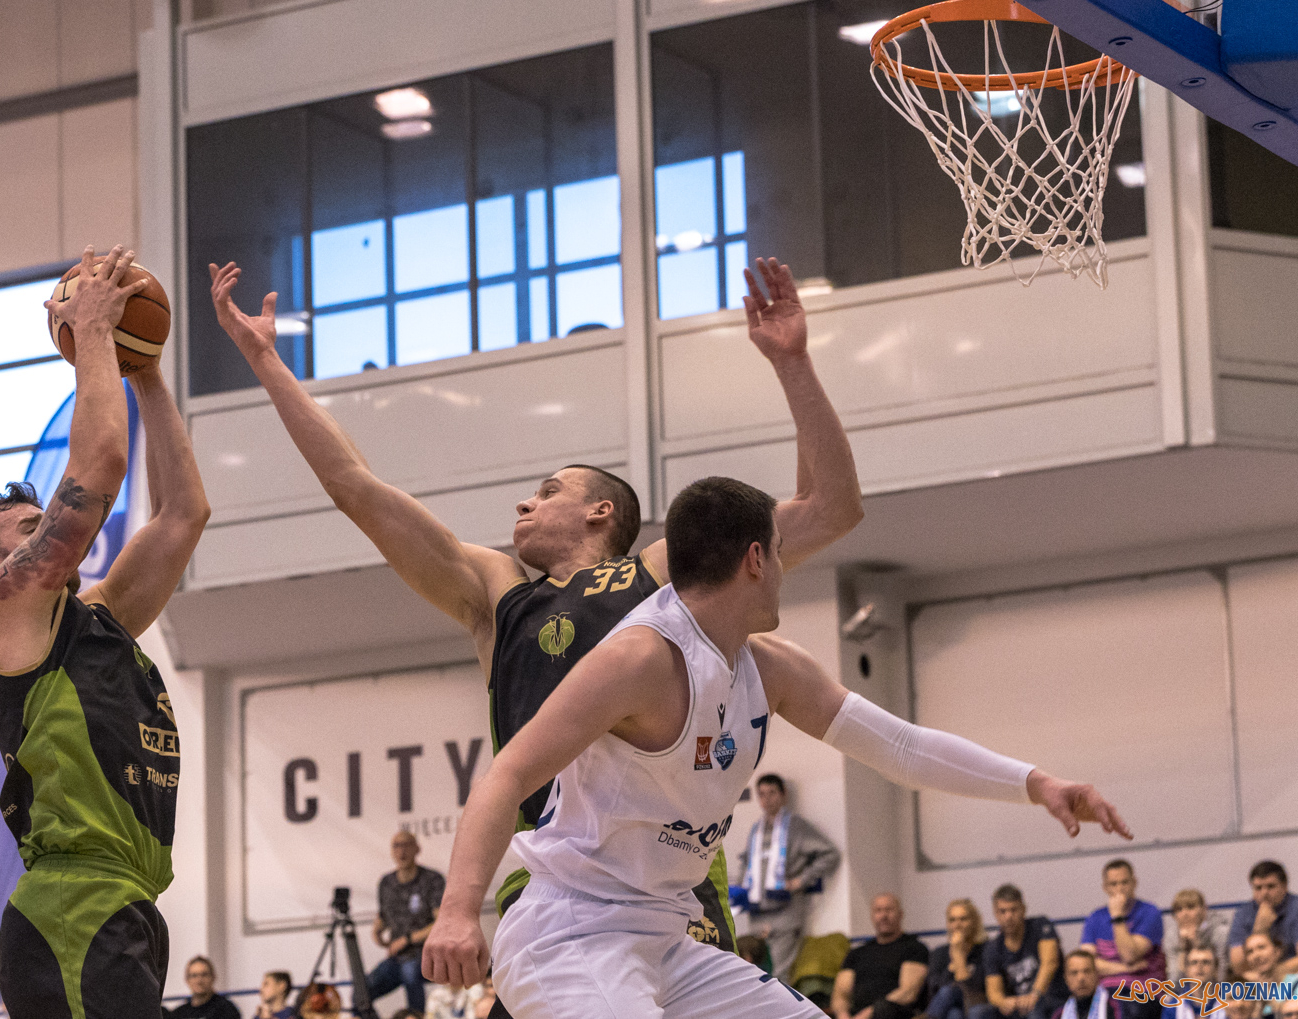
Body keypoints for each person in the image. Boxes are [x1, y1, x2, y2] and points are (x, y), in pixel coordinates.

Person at [210, 255, 866, 959]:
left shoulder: (660, 571)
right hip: (555, 873)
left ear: (600, 512)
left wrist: (793, 361)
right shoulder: (498, 592)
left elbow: (829, 507)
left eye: (548, 491)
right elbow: (354, 487)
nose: (524, 503)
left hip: (670, 869)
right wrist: (265, 360)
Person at [421, 475, 1130, 1018]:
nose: (789, 568)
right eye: (783, 554)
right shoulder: (639, 659)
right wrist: (457, 911)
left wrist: (1035, 783)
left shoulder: (770, 667)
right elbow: (506, 775)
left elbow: (901, 747)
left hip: (665, 937)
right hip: (569, 936)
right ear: (757, 559)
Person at [0, 246, 212, 1018]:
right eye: (32, 528)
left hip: (123, 903)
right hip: (71, 909)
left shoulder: (95, 620)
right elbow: (99, 464)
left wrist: (146, 372)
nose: (55, 530)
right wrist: (93, 332)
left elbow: (183, 514)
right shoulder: (6, 615)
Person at [734, 773, 840, 983]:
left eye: (772, 793)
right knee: (754, 975)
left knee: (779, 977)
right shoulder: (756, 829)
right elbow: (747, 863)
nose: (767, 799)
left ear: (783, 795)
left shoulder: (796, 826)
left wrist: (800, 881)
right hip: (757, 913)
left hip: (785, 913)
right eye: (762, 794)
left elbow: (830, 854)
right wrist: (740, 889)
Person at [369, 830, 447, 1012]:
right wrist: (377, 931)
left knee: (409, 973)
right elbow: (384, 916)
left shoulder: (432, 879)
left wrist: (407, 939)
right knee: (362, 991)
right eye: (396, 846)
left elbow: (441, 921)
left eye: (406, 845)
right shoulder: (386, 883)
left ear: (417, 849)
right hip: (397, 957)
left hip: (426, 954)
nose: (401, 851)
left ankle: (415, 1016)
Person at [1082, 860, 1166, 1019]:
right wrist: (1126, 968)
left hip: (1143, 990)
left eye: (1124, 882)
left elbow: (1129, 955)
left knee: (1126, 1007)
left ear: (1134, 883)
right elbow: (1088, 963)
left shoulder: (1150, 912)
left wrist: (1117, 917)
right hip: (1106, 991)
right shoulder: (1095, 918)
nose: (1119, 889)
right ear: (1105, 887)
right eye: (1113, 884)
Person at [835, 894, 930, 1019]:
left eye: (889, 910)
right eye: (878, 911)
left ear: (900, 914)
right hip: (857, 1015)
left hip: (895, 1014)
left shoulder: (915, 948)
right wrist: (843, 1015)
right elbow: (841, 995)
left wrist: (867, 1014)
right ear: (872, 916)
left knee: (883, 1008)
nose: (883, 916)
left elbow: (908, 993)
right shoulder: (856, 953)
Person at [985, 884, 1069, 1019]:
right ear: (996, 914)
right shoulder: (993, 947)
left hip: (1049, 997)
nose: (1009, 916)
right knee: (980, 1012)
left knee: (1034, 1007)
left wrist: (1035, 994)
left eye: (1013, 910)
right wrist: (1004, 1002)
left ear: (1023, 909)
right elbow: (993, 991)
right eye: (1003, 911)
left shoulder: (1040, 926)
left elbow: (1050, 963)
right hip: (1018, 1005)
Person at [1228, 862, 1298, 980]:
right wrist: (1259, 929)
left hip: (1293, 972)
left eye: (1271, 886)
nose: (1264, 893)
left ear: (1284, 886)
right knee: (1238, 983)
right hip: (1258, 975)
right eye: (1258, 888)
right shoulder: (1243, 913)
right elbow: (1238, 965)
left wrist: (1272, 974)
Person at [928, 898, 991, 1019]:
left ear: (974, 922)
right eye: (952, 920)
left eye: (963, 919)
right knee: (954, 1013)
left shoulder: (986, 949)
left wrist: (958, 956)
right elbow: (935, 991)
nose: (957, 925)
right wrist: (951, 966)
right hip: (947, 1009)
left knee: (951, 994)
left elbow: (975, 991)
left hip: (978, 1004)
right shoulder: (939, 953)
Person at [1165, 890, 1231, 982]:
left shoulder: (1220, 931)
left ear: (1204, 910)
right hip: (1188, 987)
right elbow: (1174, 981)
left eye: (1190, 907)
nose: (1185, 914)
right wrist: (1183, 949)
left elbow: (1222, 974)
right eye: (1179, 909)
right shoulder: (1172, 936)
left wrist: (1196, 942)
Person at [167, 955, 243, 1019]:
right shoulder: (178, 1014)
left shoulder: (227, 1009)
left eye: (204, 975)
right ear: (187, 980)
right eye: (194, 976)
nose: (199, 981)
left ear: (213, 977)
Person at [1161, 946, 1222, 1019]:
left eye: (1206, 962)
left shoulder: (1229, 1002)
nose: (1199, 967)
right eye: (1194, 962)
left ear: (1216, 968)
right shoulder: (1173, 1006)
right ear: (1186, 970)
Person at [1054, 950, 1113, 1019]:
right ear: (1066, 978)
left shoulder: (1114, 1006)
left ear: (1096, 974)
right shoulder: (1059, 1014)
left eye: (1087, 971)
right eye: (1074, 973)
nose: (1081, 978)